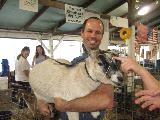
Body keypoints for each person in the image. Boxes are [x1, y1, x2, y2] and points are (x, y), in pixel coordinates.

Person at [38, 17, 114, 120]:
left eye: (97, 32)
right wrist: (44, 101)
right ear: (82, 33)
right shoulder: (76, 61)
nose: (93, 35)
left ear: (102, 36)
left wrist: (64, 104)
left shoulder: (106, 61)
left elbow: (105, 100)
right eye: (89, 31)